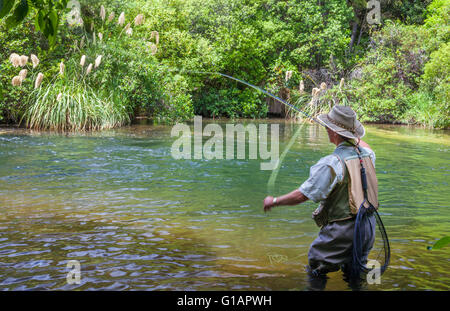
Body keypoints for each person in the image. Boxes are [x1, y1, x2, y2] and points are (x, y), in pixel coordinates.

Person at [263, 105, 378, 290]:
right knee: (355, 271)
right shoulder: (367, 155)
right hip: (368, 225)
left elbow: (303, 195)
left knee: (317, 265)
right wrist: (352, 138)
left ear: (333, 132)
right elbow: (364, 145)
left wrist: (274, 201)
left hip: (344, 228)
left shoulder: (331, 163)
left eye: (327, 127)